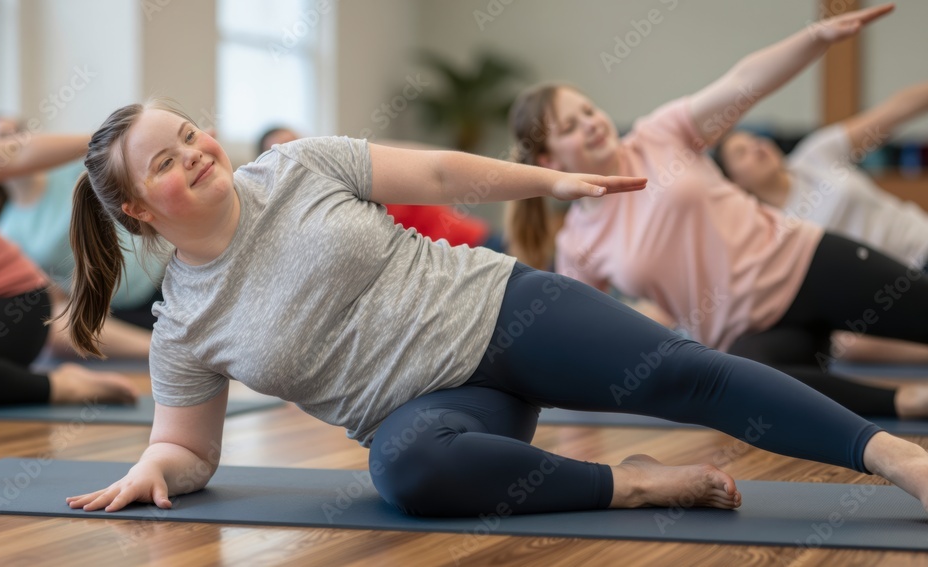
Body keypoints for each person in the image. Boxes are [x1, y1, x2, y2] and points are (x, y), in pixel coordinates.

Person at [64, 93, 928, 518]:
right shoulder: (182, 321)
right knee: (404, 472)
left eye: (189, 134)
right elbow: (187, 447)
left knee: (689, 375)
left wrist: (551, 180)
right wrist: (156, 466)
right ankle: (630, 485)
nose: (195, 154)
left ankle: (892, 454)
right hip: (435, 410)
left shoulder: (296, 169)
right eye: (167, 163)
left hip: (506, 310)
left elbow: (439, 173)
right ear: (138, 208)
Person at [505, 5, 928, 422]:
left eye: (588, 111)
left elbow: (743, 82)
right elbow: (586, 337)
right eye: (569, 127)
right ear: (550, 161)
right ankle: (906, 402)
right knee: (749, 389)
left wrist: (814, 38)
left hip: (806, 265)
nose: (591, 124)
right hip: (749, 337)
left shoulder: (658, 135)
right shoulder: (578, 242)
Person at [715, 81, 928, 365]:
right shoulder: (768, 233)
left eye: (754, 139)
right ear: (735, 184)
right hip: (889, 297)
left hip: (921, 242)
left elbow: (891, 113)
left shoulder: (814, 155)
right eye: (741, 153)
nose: (756, 147)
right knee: (845, 344)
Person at [0, 128, 139, 409]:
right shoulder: (12, 222)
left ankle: (63, 386)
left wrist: (117, 137)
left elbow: (15, 153)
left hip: (5, 301)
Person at [0, 116, 163, 359]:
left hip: (159, 276)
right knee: (51, 324)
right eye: (2, 137)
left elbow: (122, 165)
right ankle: (162, 351)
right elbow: (47, 292)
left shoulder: (69, 170)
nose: (15, 141)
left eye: (19, 133)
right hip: (114, 310)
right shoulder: (6, 232)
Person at [259, 126, 502, 250]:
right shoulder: (313, 210)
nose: (294, 152)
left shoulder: (347, 167)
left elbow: (429, 160)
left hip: (476, 238)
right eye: (283, 150)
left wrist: (368, 150)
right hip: (446, 261)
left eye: (297, 142)